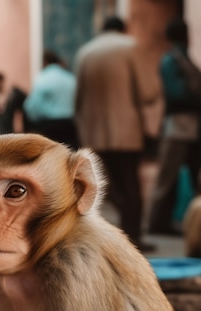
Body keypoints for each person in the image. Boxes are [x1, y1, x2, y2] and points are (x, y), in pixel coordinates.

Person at [74, 16, 158, 252]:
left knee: (102, 188)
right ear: (124, 29)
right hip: (125, 130)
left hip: (94, 132)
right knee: (131, 187)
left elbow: (77, 100)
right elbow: (149, 92)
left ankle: (100, 239)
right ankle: (132, 240)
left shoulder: (85, 52)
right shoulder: (130, 47)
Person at [148, 18, 201, 236]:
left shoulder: (182, 59)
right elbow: (177, 93)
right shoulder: (173, 60)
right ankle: (157, 224)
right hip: (179, 127)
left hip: (190, 128)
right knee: (167, 179)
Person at [23, 50, 78, 149]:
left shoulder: (43, 78)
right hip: (70, 125)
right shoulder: (70, 78)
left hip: (49, 127)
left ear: (45, 62)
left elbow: (31, 107)